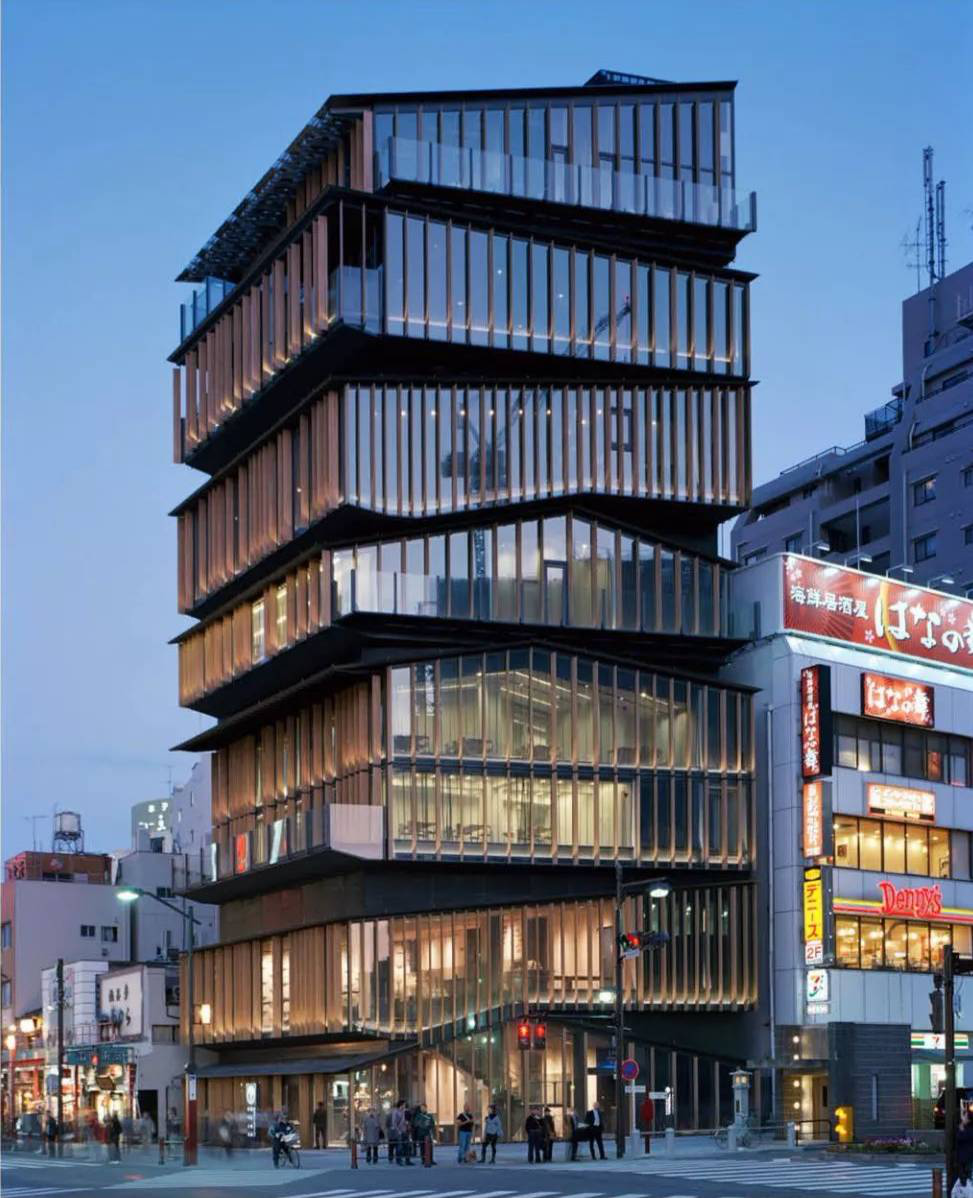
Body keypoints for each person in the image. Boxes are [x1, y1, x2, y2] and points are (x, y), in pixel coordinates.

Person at [389, 1099, 412, 1165]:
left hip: (405, 1130)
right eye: (404, 1104)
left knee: (407, 1146)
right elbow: (394, 1123)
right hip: (399, 1132)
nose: (405, 1105)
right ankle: (399, 1160)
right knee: (399, 1146)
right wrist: (398, 1131)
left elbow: (406, 1119)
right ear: (401, 1105)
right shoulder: (395, 1112)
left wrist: (406, 1123)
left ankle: (407, 1160)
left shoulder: (404, 1111)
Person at [957, 1105, 973, 1186]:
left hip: (966, 1157)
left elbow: (960, 1137)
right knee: (964, 1178)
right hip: (964, 1157)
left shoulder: (968, 1129)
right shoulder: (964, 1127)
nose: (963, 1118)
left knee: (965, 1179)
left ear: (969, 1120)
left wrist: (961, 1126)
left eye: (965, 1116)